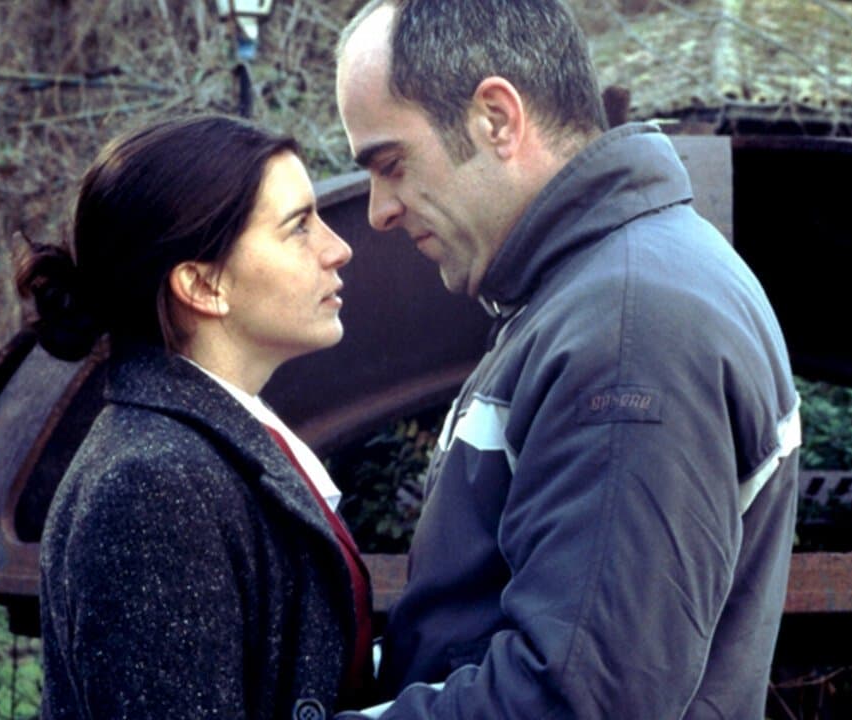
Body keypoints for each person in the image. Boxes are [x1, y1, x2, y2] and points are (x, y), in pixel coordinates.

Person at [334, 1, 802, 718]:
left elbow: (580, 698)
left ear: (496, 119)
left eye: (392, 164)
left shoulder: (627, 329)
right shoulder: (600, 293)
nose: (379, 211)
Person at [19, 114, 372, 720]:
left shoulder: (210, 445)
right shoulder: (150, 485)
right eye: (297, 227)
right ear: (203, 285)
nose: (338, 248)